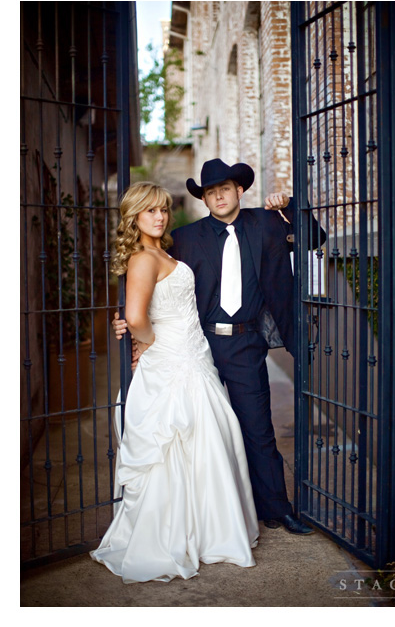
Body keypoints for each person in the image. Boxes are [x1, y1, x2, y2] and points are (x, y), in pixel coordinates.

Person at [114, 158, 323, 535]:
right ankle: (206, 515)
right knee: (201, 433)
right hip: (197, 342)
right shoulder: (186, 238)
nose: (219, 196)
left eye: (225, 188)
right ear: (205, 199)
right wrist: (124, 320)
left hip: (245, 343)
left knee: (257, 430)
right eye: (211, 192)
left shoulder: (267, 223)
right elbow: (150, 282)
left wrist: (289, 206)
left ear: (239, 190)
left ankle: (277, 508)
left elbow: (316, 239)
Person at [91, 182, 259, 583]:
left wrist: (142, 331)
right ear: (134, 216)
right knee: (175, 444)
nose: (160, 217)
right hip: (171, 357)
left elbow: (147, 307)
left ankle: (206, 529)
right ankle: (182, 534)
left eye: (164, 209)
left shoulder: (161, 252)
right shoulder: (142, 259)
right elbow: (135, 316)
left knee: (205, 440)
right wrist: (145, 341)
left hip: (193, 353)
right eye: (150, 211)